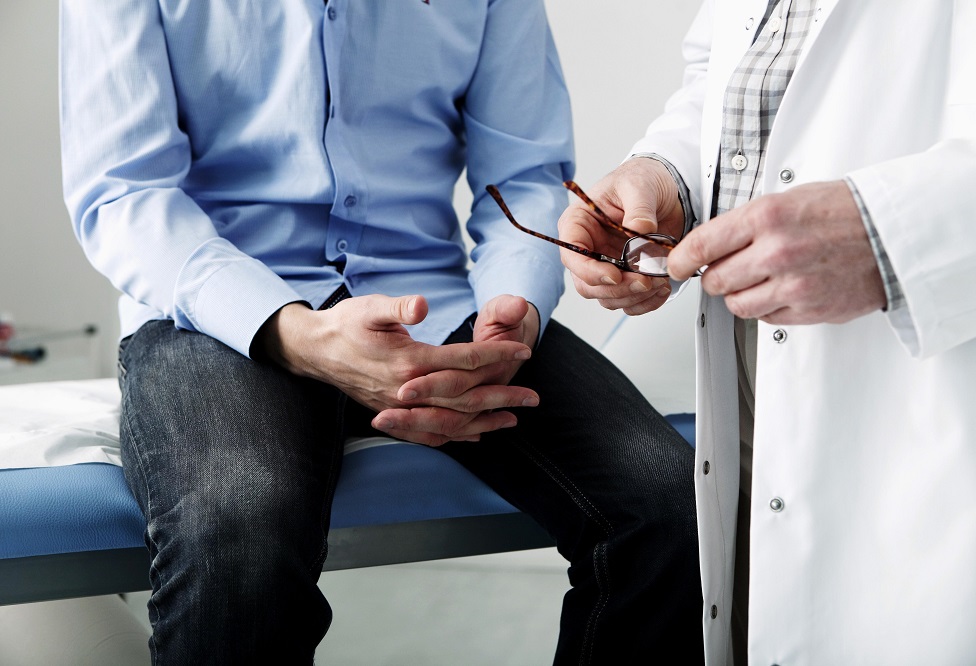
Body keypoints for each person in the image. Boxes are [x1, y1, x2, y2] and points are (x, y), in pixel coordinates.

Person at [59, 1, 704, 663]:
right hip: (216, 309)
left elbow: (521, 173)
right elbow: (124, 195)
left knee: (671, 510)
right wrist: (296, 334)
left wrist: (513, 313)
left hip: (436, 302)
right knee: (240, 524)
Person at [557, 1, 976, 664]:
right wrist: (668, 176)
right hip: (753, 354)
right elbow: (735, 73)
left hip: (949, 358)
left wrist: (892, 234)